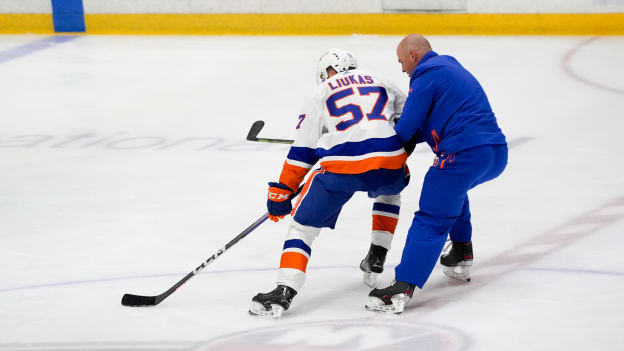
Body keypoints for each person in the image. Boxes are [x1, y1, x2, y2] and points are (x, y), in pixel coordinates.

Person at [249, 48, 410, 318]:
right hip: (390, 164)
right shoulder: (380, 79)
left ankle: (284, 290)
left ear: (328, 72)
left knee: (302, 227)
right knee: (390, 192)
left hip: (344, 169)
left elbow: (302, 153)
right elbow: (410, 119)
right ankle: (378, 255)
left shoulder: (319, 93)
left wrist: (283, 190)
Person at [365, 34, 508, 313]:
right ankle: (459, 254)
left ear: (413, 56)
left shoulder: (425, 76)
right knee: (452, 193)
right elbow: (423, 126)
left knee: (431, 216)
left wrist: (373, 143)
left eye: (402, 62)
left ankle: (403, 285)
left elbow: (406, 129)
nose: (403, 70)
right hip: (494, 152)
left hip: (463, 154)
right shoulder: (450, 69)